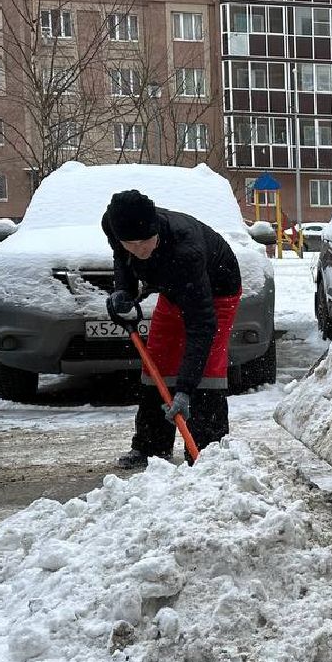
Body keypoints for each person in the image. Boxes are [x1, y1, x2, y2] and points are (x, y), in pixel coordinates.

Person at [102, 189, 242, 469]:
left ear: (156, 229)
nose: (139, 251)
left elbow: (202, 326)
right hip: (173, 290)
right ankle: (151, 446)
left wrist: (185, 390)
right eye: (132, 243)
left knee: (207, 372)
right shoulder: (113, 224)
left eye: (145, 242)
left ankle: (208, 451)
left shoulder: (185, 249)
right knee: (158, 362)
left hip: (216, 292)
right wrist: (124, 291)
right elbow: (123, 257)